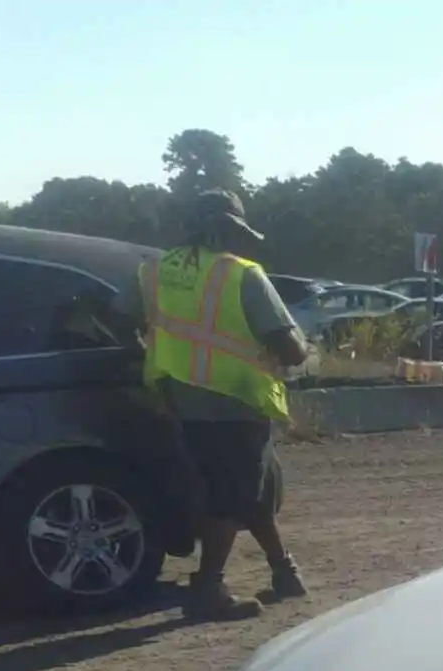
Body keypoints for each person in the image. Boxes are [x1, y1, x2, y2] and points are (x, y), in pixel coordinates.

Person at [119, 189, 309, 620]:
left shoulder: (152, 272)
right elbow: (291, 349)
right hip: (239, 399)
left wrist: (158, 364)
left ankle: (284, 571)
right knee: (233, 495)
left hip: (181, 400)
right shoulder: (241, 274)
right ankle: (207, 588)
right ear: (228, 229)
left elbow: (120, 320)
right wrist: (300, 345)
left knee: (248, 491)